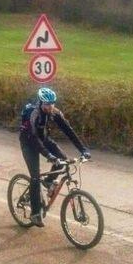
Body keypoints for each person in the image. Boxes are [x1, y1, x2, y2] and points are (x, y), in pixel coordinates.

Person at [19, 87, 91, 227]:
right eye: (47, 104)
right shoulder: (33, 113)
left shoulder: (54, 112)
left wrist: (83, 150)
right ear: (40, 103)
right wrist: (49, 155)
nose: (50, 107)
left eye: (52, 103)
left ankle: (48, 181)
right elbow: (34, 138)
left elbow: (69, 131)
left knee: (63, 160)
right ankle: (35, 214)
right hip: (29, 142)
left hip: (43, 139)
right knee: (35, 177)